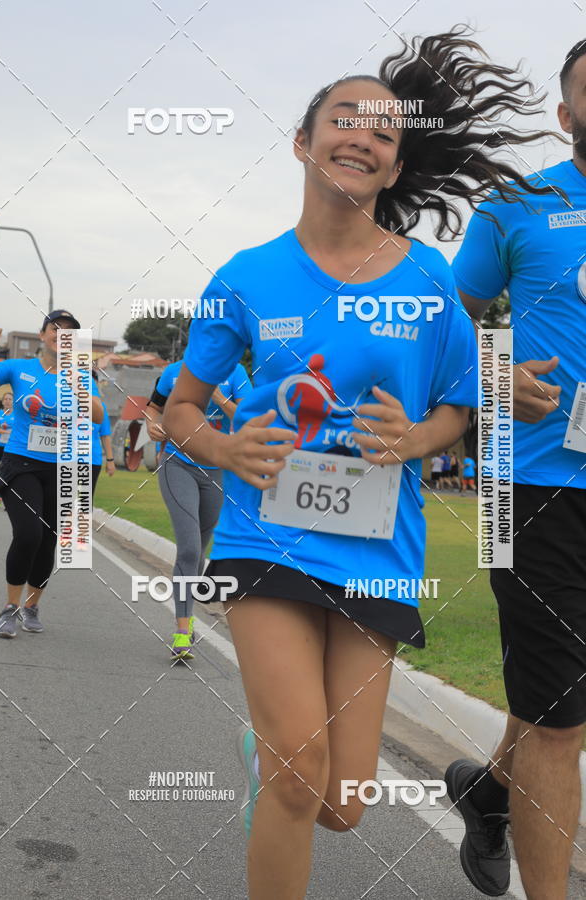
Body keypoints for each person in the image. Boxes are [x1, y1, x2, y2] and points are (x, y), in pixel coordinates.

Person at [162, 27, 556, 899]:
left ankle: (271, 762)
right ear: (304, 142)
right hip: (269, 535)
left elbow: (461, 397)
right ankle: (282, 761)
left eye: (384, 133)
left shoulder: (427, 283)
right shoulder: (247, 276)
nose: (363, 137)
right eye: (345, 119)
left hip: (381, 547)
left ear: (393, 166)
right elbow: (180, 407)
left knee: (342, 801)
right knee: (303, 775)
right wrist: (223, 445)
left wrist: (419, 438)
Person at [444, 39, 586, 900]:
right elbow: (445, 323)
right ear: (566, 117)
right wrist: (494, 375)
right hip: (528, 489)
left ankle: (492, 790)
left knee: (558, 700)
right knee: (562, 723)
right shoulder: (517, 205)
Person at [0, 312, 103, 638]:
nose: (61, 335)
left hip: (67, 466)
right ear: (42, 335)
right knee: (28, 534)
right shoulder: (18, 368)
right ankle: (10, 608)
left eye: (69, 332)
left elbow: (98, 415)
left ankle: (32, 606)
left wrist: (77, 385)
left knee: (49, 539)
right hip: (22, 461)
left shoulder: (81, 374)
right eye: (56, 329)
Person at [146, 360, 251, 659]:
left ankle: (187, 615)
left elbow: (246, 419)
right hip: (177, 463)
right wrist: (152, 424)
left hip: (218, 470)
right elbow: (154, 408)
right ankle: (182, 632)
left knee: (200, 551)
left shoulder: (236, 373)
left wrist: (218, 398)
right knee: (190, 549)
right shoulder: (174, 372)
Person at [0, 392, 15, 508]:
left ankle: (8, 497)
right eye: (5, 399)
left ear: (13, 401)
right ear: (3, 401)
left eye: (10, 399)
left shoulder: (17, 414)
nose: (7, 401)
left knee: (10, 471)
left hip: (11, 447)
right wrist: (8, 432)